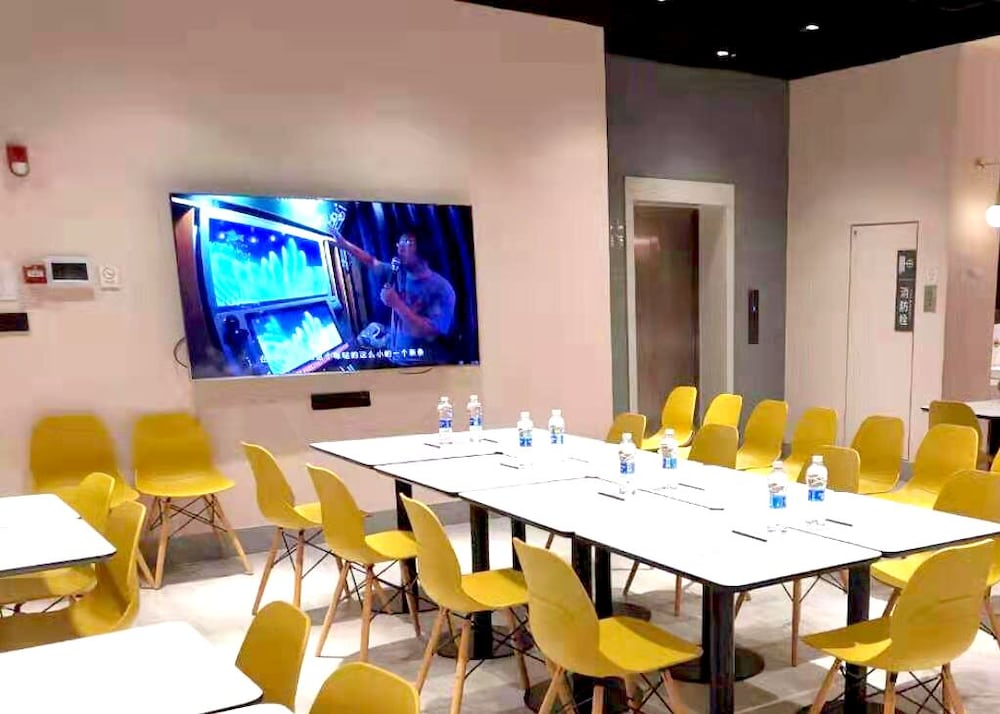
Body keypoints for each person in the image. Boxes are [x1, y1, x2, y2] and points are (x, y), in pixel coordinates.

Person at [330, 229, 456, 365]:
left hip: (416, 365)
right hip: (393, 354)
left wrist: (397, 304)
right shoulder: (398, 272)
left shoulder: (442, 289)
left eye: (406, 242)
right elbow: (372, 262)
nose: (400, 248)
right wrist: (345, 244)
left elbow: (429, 332)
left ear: (424, 247)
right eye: (399, 243)